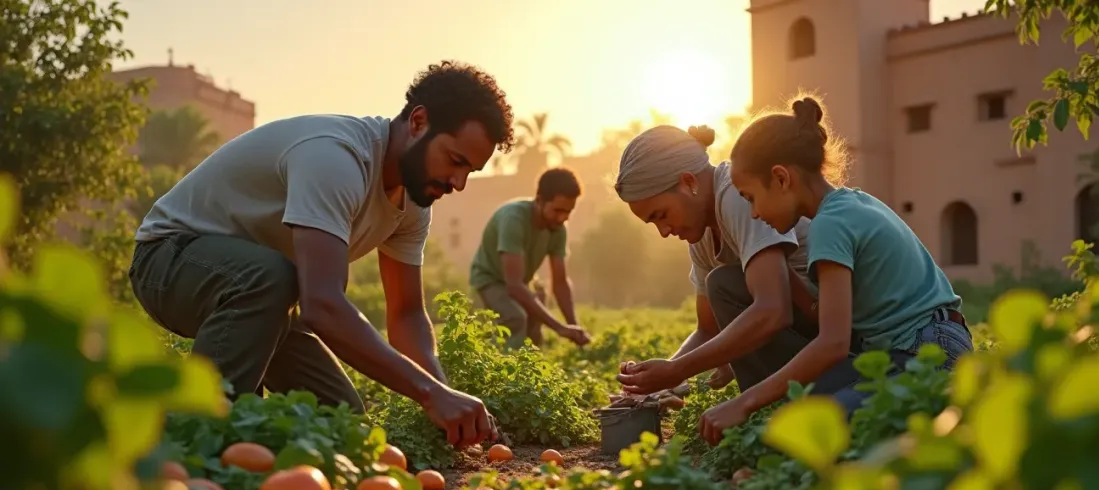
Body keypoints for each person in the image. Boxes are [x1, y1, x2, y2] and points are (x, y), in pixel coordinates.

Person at [128, 61, 516, 448]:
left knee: (346, 427)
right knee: (271, 278)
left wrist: (444, 398)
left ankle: (248, 449)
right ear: (418, 122)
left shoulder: (414, 202)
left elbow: (407, 315)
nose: (459, 183)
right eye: (455, 161)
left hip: (265, 296)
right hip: (169, 260)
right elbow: (322, 306)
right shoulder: (336, 158)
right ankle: (188, 444)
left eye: (471, 171)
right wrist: (432, 396)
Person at [697, 95, 974, 443]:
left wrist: (745, 401)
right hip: (918, 347)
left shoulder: (830, 225)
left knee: (811, 429)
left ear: (781, 178)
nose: (753, 214)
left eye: (750, 197)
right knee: (794, 411)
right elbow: (823, 316)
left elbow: (832, 343)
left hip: (927, 352)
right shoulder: (851, 203)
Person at [610, 123, 826, 404]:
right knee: (723, 285)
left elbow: (774, 310)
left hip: (828, 324)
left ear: (689, 183)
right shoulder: (700, 232)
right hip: (803, 332)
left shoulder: (737, 197)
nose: (663, 231)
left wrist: (677, 371)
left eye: (661, 215)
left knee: (724, 284)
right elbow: (707, 330)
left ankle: (783, 405)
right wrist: (655, 384)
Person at [469, 167, 591, 348]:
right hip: (490, 279)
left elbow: (560, 283)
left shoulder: (558, 229)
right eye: (557, 210)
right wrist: (559, 328)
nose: (562, 218)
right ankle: (502, 371)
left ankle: (530, 372)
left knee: (535, 325)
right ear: (540, 200)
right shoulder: (513, 219)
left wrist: (573, 327)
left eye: (568, 212)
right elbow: (514, 286)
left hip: (520, 282)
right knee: (515, 318)